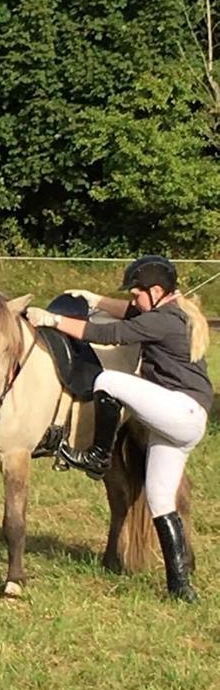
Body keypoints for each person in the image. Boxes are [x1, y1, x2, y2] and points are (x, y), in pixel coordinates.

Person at [25, 255, 212, 601]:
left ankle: (98, 455)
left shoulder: (164, 320)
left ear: (157, 292)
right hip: (182, 421)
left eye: (137, 293)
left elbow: (111, 333)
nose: (133, 300)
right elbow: (127, 313)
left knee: (108, 380)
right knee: (159, 501)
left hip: (179, 411)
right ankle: (181, 587)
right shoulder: (174, 312)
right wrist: (93, 299)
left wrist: (52, 319)